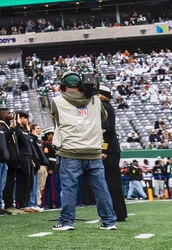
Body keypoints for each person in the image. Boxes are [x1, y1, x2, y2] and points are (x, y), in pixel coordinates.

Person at [51, 73, 117, 231]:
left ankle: (66, 222)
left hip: (70, 151)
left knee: (69, 188)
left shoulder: (57, 101)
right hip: (93, 151)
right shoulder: (95, 99)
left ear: (62, 86)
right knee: (101, 188)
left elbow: (55, 118)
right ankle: (109, 221)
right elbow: (103, 116)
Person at [98, 85, 127, 221]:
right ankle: (120, 212)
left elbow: (106, 129)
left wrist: (103, 148)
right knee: (113, 181)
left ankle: (115, 213)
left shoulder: (103, 107)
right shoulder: (108, 106)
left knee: (110, 182)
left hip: (108, 150)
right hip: (113, 148)